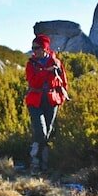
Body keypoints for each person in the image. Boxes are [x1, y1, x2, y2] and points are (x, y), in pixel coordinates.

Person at [25, 34, 69, 172]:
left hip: (52, 100)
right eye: (33, 48)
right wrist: (47, 72)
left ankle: (42, 164)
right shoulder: (30, 64)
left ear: (44, 48)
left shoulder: (56, 63)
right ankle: (34, 160)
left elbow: (63, 81)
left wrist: (61, 97)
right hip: (35, 100)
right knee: (41, 131)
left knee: (48, 132)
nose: (34, 51)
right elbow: (33, 81)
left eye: (36, 48)